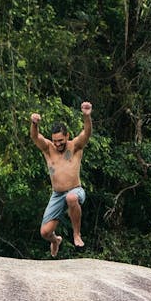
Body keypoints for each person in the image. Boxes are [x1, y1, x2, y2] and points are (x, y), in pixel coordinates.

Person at [30, 102, 92, 256]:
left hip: (75, 190)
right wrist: (34, 124)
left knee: (71, 198)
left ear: (67, 136)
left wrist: (86, 116)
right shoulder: (48, 149)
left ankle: (76, 235)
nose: (58, 144)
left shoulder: (74, 147)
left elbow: (87, 133)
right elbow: (35, 136)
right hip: (57, 195)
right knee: (44, 232)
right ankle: (55, 240)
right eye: (55, 141)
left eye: (61, 141)